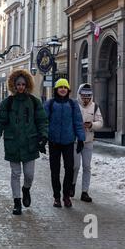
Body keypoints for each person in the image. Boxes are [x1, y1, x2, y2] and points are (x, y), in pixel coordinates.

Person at [0, 70, 48, 215]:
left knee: (29, 175)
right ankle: (17, 202)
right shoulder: (7, 103)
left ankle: (26, 189)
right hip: (13, 144)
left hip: (30, 143)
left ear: (27, 84)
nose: (21, 87)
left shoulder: (34, 102)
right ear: (14, 86)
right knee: (15, 174)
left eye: (23, 84)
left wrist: (43, 136)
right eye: (18, 84)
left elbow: (42, 121)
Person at [44, 79, 85, 208]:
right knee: (54, 170)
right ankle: (56, 197)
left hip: (68, 141)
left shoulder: (73, 104)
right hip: (54, 142)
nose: (63, 89)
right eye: (60, 87)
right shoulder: (50, 104)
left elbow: (78, 123)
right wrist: (43, 138)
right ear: (56, 89)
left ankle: (66, 196)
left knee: (69, 169)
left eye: (65, 87)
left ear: (68, 90)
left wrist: (81, 139)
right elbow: (44, 122)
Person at [72, 83, 103, 203]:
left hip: (89, 141)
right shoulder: (74, 105)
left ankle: (85, 191)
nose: (86, 99)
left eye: (88, 96)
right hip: (75, 141)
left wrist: (91, 125)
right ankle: (72, 184)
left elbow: (100, 122)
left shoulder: (95, 107)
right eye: (84, 96)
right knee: (75, 166)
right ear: (79, 95)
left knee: (87, 167)